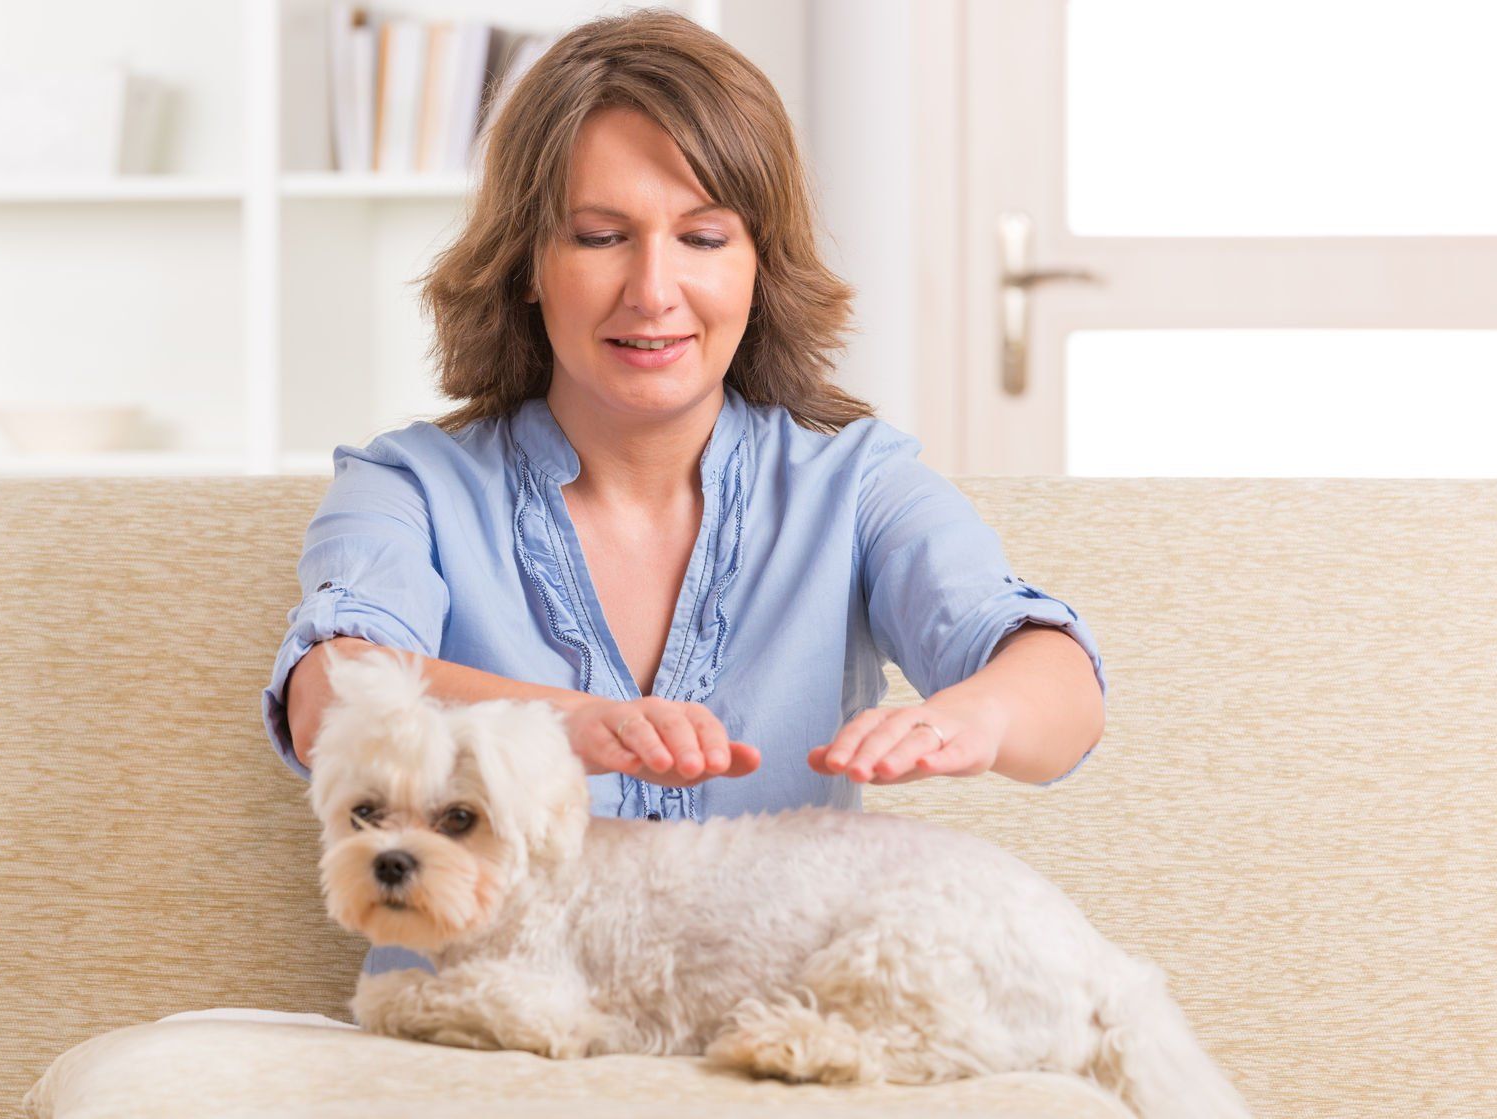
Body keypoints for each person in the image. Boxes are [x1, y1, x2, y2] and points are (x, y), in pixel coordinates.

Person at [261, 8, 1108, 981]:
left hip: (770, 1034)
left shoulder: (857, 483)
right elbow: (329, 695)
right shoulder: (405, 485)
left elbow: (1060, 690)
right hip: (476, 1036)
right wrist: (562, 726)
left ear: (759, 265)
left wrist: (980, 719)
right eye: (600, 237)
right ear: (526, 263)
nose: (653, 290)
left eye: (703, 237)